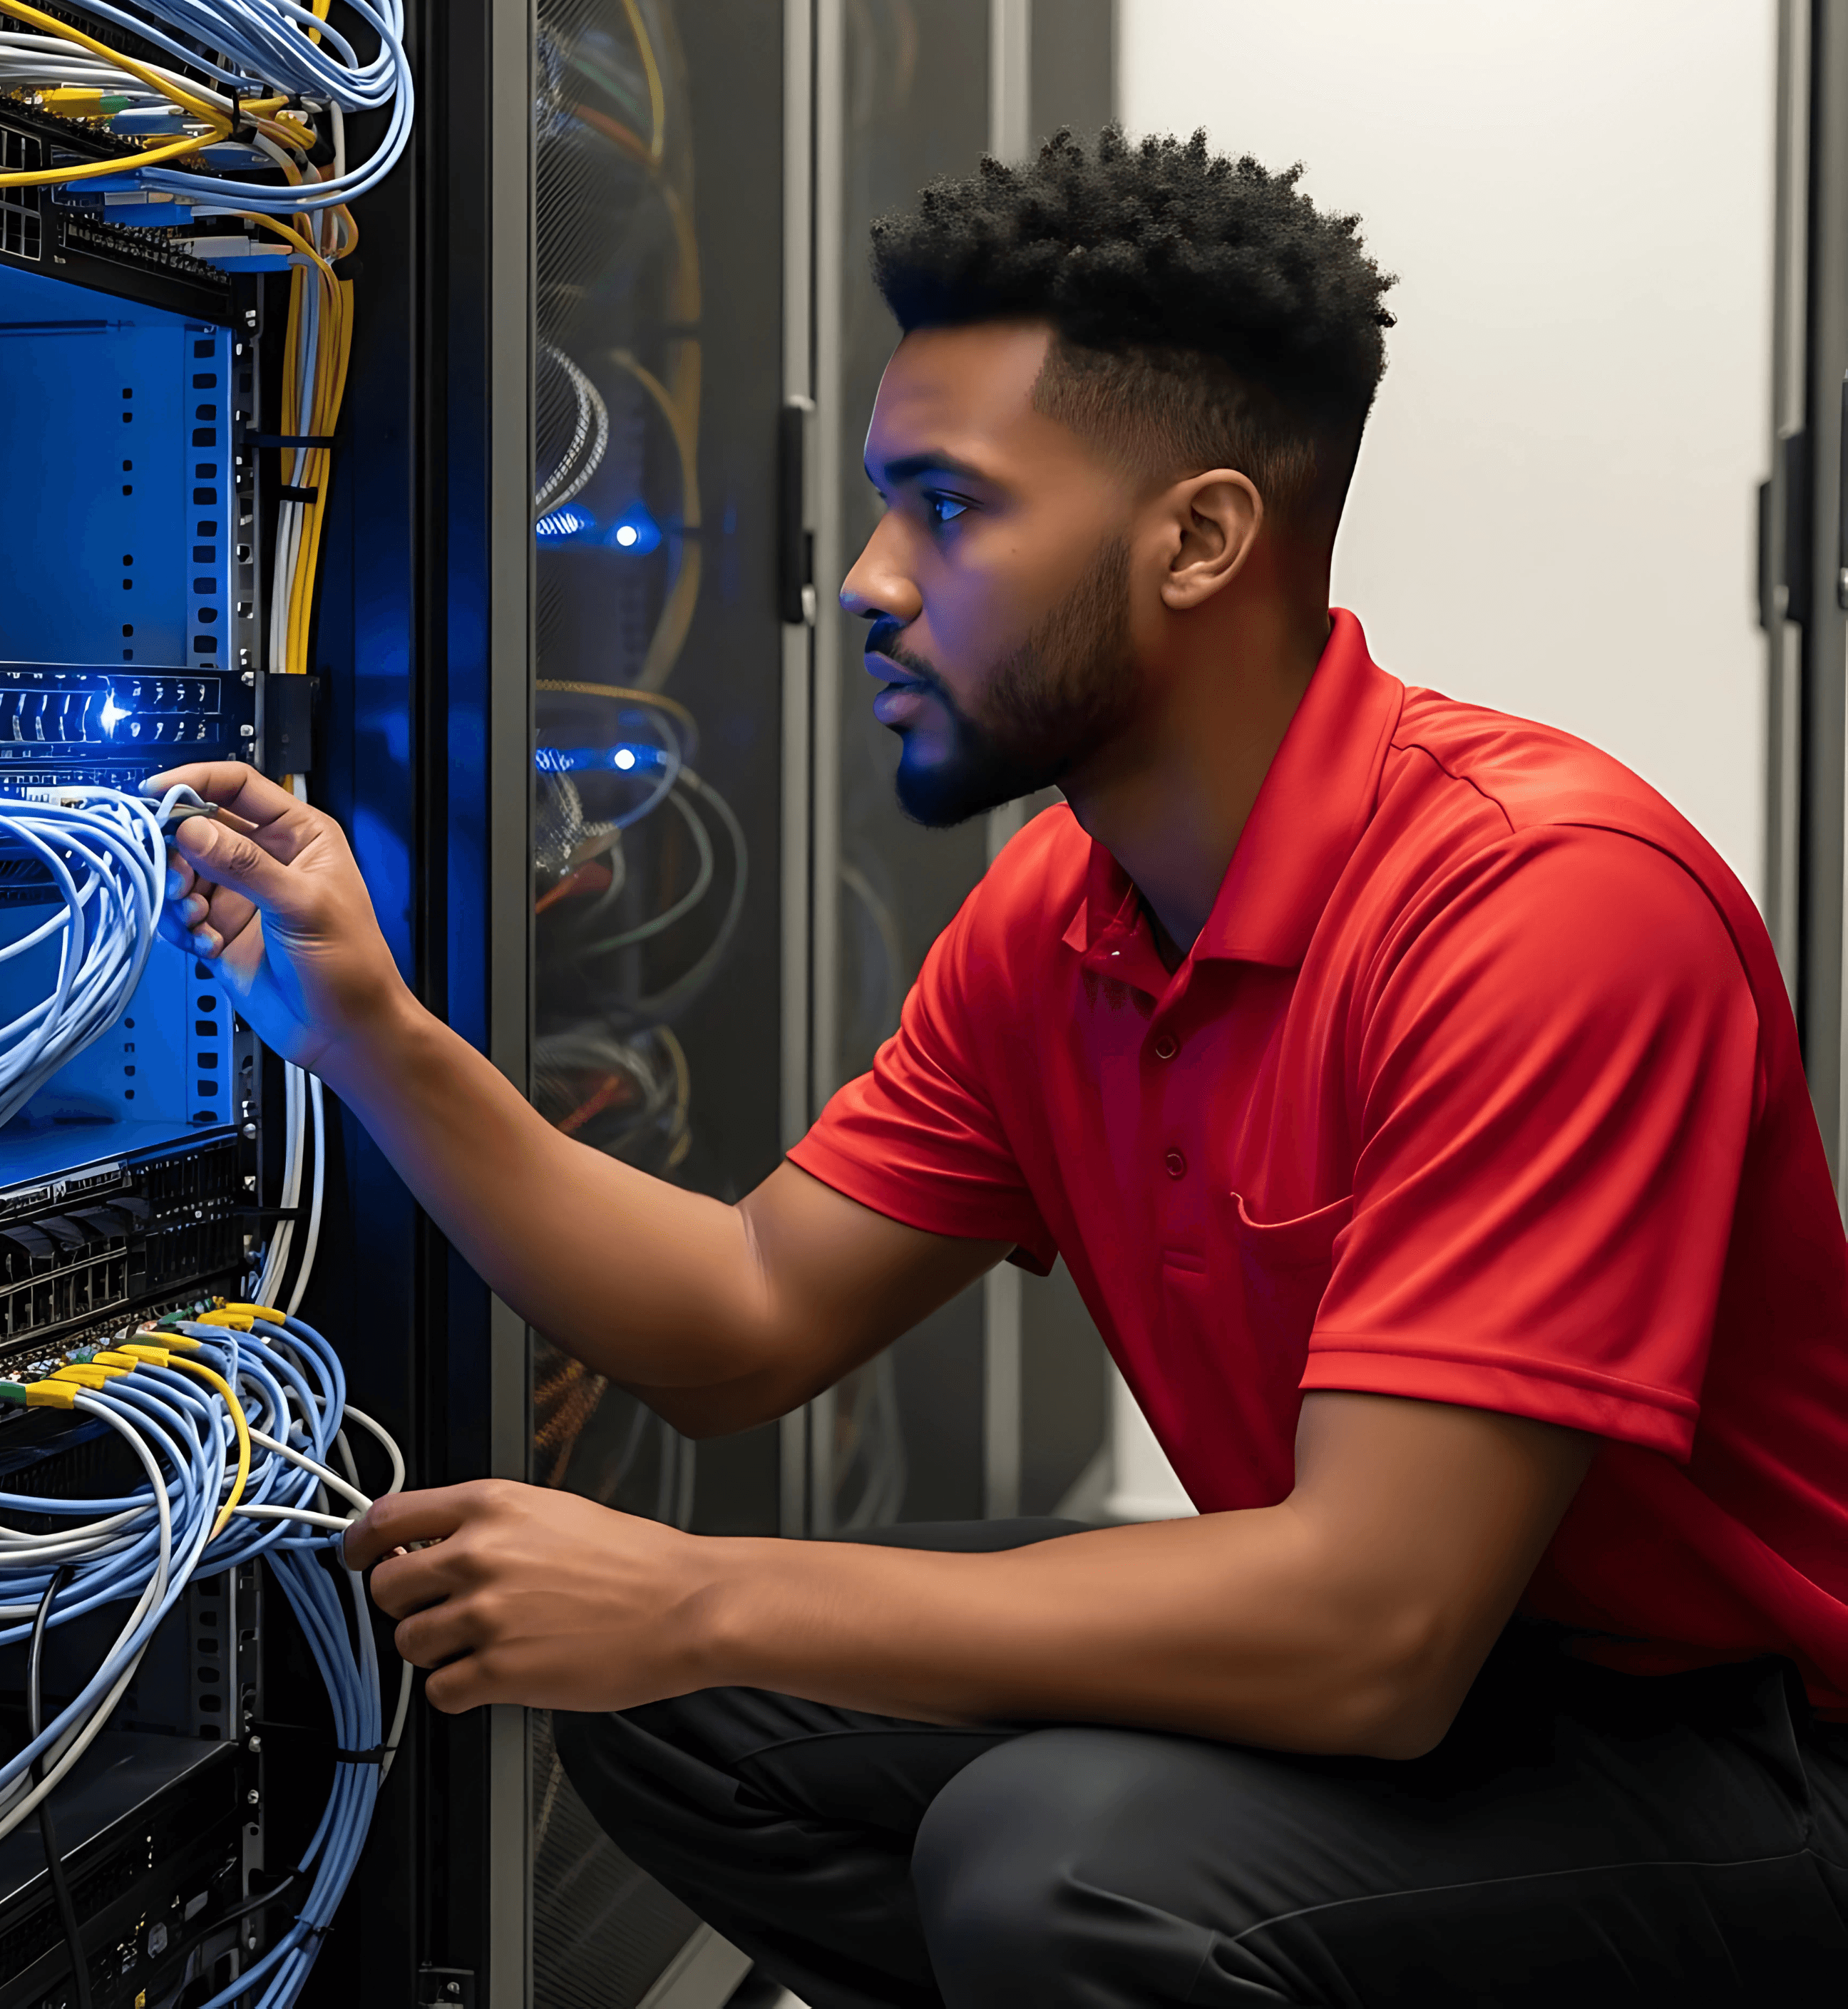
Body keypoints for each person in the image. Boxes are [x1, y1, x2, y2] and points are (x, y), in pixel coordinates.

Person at [151, 128, 1848, 2007]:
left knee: (1058, 1863)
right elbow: (744, 1319)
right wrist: (370, 1035)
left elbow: (1376, 1631)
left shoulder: (1543, 907)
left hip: (1732, 1746)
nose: (871, 580)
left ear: (1198, 539)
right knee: (679, 1707)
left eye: (949, 509)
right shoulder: (1064, 910)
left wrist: (697, 1593)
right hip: (1429, 1665)